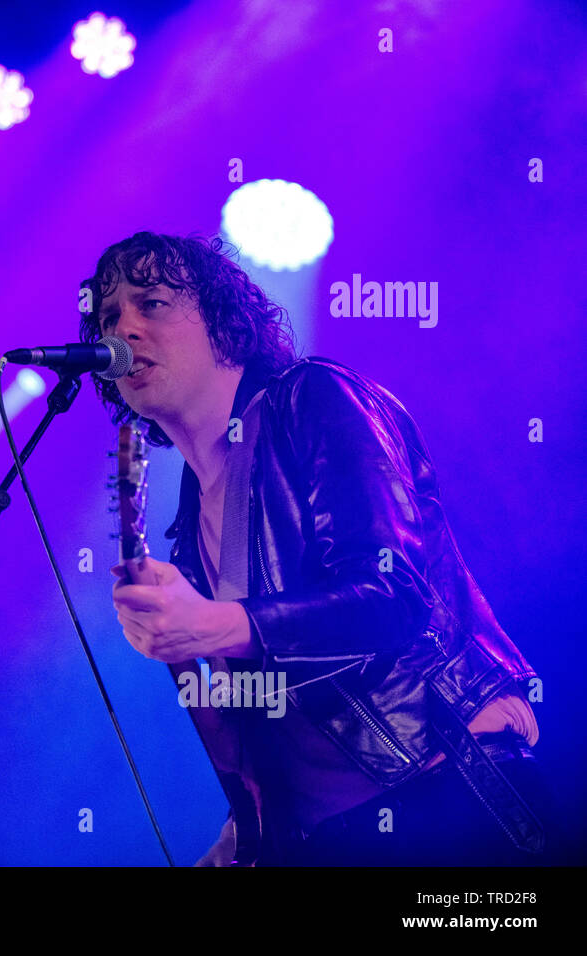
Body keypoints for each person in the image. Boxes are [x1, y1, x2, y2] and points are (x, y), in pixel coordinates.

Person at [82, 232, 558, 865]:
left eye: (153, 303)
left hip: (444, 792)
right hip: (328, 841)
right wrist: (239, 836)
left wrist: (218, 624)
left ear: (222, 321)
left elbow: (393, 593)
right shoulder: (189, 520)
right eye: (109, 315)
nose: (125, 329)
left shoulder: (314, 399)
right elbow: (265, 717)